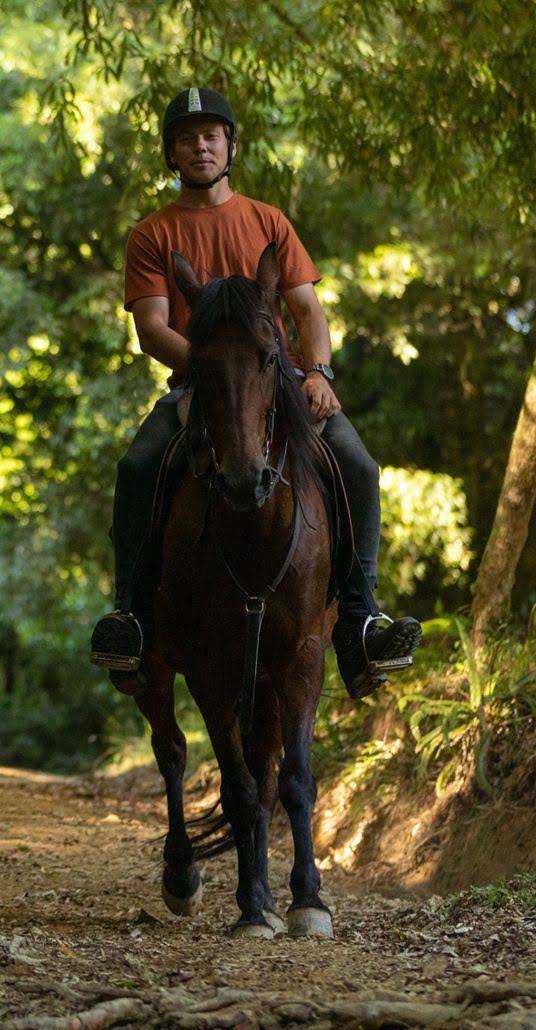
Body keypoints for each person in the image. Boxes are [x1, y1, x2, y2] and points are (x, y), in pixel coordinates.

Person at [88, 87, 422, 698]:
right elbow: (153, 330)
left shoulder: (269, 221)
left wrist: (318, 373)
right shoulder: (152, 233)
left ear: (230, 146)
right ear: (171, 153)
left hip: (283, 381)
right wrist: (218, 371)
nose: (200, 147)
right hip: (199, 384)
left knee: (359, 467)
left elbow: (308, 311)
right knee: (137, 468)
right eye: (187, 138)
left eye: (211, 136)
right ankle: (131, 618)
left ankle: (361, 620)